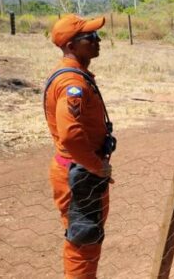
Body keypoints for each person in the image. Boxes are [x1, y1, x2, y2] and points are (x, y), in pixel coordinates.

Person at [44, 14, 116, 279]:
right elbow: (71, 136)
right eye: (90, 38)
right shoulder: (72, 83)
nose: (98, 41)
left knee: (87, 238)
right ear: (71, 46)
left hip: (81, 171)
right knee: (83, 242)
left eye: (96, 36)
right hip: (80, 175)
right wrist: (98, 167)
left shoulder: (76, 75)